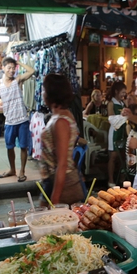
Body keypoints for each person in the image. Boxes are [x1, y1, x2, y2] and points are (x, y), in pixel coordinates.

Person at [39, 74, 85, 206]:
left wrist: (55, 200)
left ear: (51, 93)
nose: (42, 93)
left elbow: (62, 164)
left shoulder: (60, 122)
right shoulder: (61, 115)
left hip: (62, 183)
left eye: (44, 90)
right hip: (52, 180)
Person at [106, 81, 127, 187]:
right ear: (116, 91)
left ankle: (120, 179)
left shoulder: (123, 103)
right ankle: (110, 180)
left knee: (122, 156)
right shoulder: (111, 103)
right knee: (113, 156)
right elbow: (111, 118)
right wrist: (123, 116)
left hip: (122, 131)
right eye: (122, 92)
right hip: (114, 132)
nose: (124, 94)